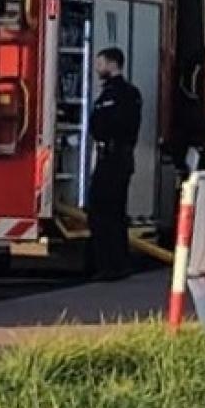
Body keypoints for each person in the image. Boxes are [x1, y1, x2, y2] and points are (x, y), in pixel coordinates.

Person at [87, 46, 142, 281]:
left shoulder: (122, 94)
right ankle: (114, 264)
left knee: (104, 211)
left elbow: (111, 125)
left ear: (112, 64)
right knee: (111, 212)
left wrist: (101, 131)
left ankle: (111, 265)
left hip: (115, 158)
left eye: (100, 63)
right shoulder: (114, 92)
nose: (98, 68)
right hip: (113, 157)